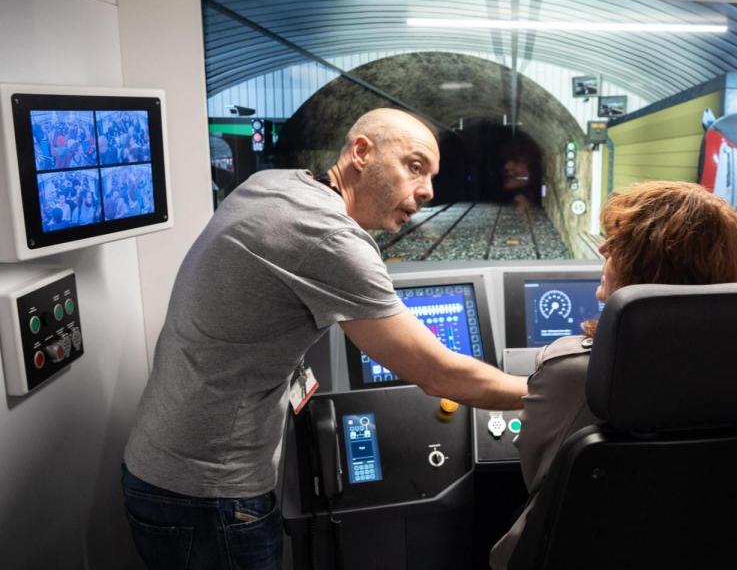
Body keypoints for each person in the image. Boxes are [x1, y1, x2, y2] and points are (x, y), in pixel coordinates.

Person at [122, 108, 528, 570]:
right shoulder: (330, 238)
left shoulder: (275, 183)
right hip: (208, 494)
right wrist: (547, 391)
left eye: (432, 176)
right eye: (414, 167)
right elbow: (439, 373)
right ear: (361, 152)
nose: (428, 191)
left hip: (162, 465)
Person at [490, 181, 737, 569]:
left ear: (652, 268)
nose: (602, 249)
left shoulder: (570, 371)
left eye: (620, 244)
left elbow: (538, 476)